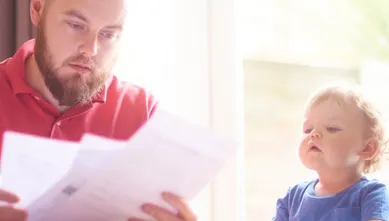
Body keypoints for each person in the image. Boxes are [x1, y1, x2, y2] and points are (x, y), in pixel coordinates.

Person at [0, 0, 197, 220]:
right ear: (37, 9)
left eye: (108, 34)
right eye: (76, 25)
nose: (90, 49)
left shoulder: (144, 113)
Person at [272, 82, 389, 221]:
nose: (314, 134)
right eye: (308, 130)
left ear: (367, 148)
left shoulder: (371, 195)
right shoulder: (292, 198)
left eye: (331, 128)